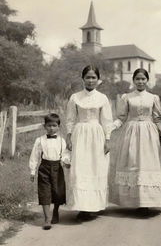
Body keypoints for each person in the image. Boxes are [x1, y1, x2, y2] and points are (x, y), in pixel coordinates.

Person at [109, 68, 161, 213]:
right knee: (133, 163)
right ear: (134, 80)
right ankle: (135, 200)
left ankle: (146, 203)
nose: (140, 82)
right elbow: (122, 117)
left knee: (148, 164)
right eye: (138, 79)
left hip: (150, 134)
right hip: (132, 133)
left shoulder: (153, 97)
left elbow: (157, 118)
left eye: (143, 79)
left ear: (147, 80)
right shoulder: (127, 97)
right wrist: (111, 127)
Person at [66, 65, 113, 220]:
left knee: (96, 168)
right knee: (80, 170)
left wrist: (107, 139)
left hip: (97, 136)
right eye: (88, 77)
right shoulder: (75, 97)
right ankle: (82, 208)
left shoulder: (102, 98)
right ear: (83, 79)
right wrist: (69, 137)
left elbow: (107, 121)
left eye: (94, 77)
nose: (91, 80)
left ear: (98, 80)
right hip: (79, 136)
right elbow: (71, 119)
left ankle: (94, 206)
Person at [29, 113, 70, 230]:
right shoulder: (39, 140)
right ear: (44, 126)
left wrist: (66, 161)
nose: (51, 128)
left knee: (57, 192)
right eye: (49, 126)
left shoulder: (62, 141)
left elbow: (65, 154)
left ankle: (56, 211)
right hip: (44, 168)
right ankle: (47, 219)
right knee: (44, 192)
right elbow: (35, 156)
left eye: (54, 125)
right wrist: (33, 171)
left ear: (59, 126)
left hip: (57, 167)